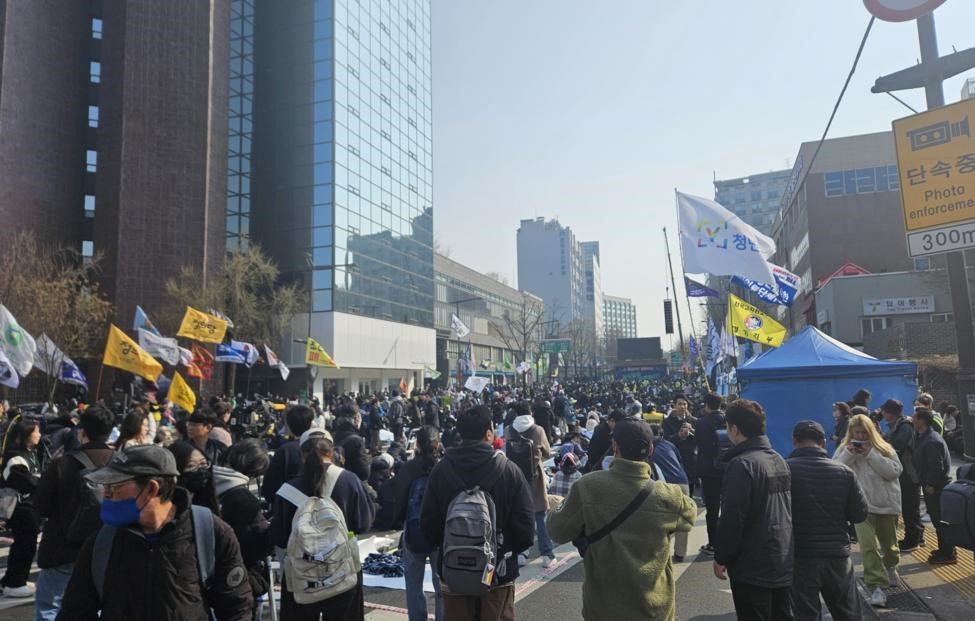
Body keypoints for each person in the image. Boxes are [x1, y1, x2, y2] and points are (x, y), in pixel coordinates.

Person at [57, 444, 254, 619]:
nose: (106, 493)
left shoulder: (210, 532)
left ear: (151, 489)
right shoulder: (102, 542)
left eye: (115, 485)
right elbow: (75, 612)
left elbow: (237, 608)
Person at [547, 419, 696, 621]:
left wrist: (557, 507)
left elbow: (556, 531)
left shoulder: (588, 486)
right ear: (651, 449)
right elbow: (690, 515)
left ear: (615, 447)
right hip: (654, 607)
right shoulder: (667, 494)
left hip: (604, 607)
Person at [420, 406, 535, 621]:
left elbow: (427, 524)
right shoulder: (508, 470)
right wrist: (502, 549)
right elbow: (526, 530)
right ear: (489, 434)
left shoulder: (441, 470)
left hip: (454, 572)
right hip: (497, 573)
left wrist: (450, 546)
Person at [270, 427, 375, 620]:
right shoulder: (350, 481)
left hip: (302, 575)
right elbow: (363, 524)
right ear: (332, 452)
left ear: (301, 455)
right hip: (341, 571)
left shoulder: (287, 490)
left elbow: (280, 537)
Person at [712, 400, 794, 621]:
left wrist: (721, 556)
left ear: (735, 429)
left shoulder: (742, 464)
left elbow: (732, 518)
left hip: (751, 565)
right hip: (781, 558)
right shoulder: (778, 459)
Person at [34, 405, 115, 620]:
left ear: (82, 432)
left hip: (63, 548)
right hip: (109, 546)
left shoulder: (62, 464)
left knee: (50, 607)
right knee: (100, 606)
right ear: (109, 432)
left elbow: (41, 506)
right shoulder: (121, 464)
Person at [787, 421, 868, 621]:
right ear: (823, 442)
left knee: (805, 614)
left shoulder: (785, 471)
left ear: (794, 441)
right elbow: (859, 514)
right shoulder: (844, 472)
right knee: (848, 613)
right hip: (837, 555)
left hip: (800, 555)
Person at [834, 413, 903, 608]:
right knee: (868, 547)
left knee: (890, 546)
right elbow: (835, 471)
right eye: (857, 433)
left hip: (886, 505)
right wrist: (848, 454)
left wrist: (870, 454)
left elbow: (894, 472)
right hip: (861, 507)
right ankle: (877, 587)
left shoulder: (884, 448)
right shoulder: (844, 450)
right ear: (851, 433)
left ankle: (891, 566)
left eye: (864, 433)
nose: (860, 437)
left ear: (871, 432)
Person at [214, 439, 273, 617]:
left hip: (206, 575)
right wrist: (271, 530)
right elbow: (255, 546)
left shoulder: (206, 482)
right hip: (236, 578)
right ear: (254, 471)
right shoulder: (243, 499)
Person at [392, 426, 444, 621]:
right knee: (441, 583)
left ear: (418, 444)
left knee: (414, 583)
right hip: (439, 533)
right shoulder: (443, 467)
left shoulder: (408, 468)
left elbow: (399, 500)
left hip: (414, 531)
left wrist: (400, 521)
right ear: (438, 444)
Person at [505, 405, 555, 568]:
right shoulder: (538, 430)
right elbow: (547, 452)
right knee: (540, 517)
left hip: (515, 478)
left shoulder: (508, 430)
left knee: (520, 517)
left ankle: (521, 553)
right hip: (535, 478)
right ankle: (547, 555)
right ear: (531, 412)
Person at [0, 417, 43, 597]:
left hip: (29, 507)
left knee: (26, 545)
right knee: (24, 546)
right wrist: (45, 483)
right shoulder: (15, 457)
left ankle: (13, 579)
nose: (39, 435)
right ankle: (14, 583)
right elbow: (26, 481)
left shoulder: (30, 453)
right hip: (20, 508)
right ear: (26, 434)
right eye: (36, 431)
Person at [879, 399, 924, 551]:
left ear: (889, 413)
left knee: (910, 508)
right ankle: (918, 537)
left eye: (884, 411)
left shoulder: (905, 427)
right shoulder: (898, 425)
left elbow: (896, 447)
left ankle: (913, 541)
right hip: (905, 473)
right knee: (910, 507)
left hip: (910, 474)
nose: (882, 413)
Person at [913, 407, 956, 565]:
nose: (912, 419)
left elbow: (936, 466)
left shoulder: (931, 440)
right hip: (932, 485)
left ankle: (948, 553)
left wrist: (930, 484)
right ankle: (945, 549)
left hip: (937, 487)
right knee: (937, 520)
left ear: (922, 421)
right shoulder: (924, 437)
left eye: (915, 417)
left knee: (940, 520)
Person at [649, 424, 692, 563]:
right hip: (682, 482)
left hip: (664, 485)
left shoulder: (647, 447)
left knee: (661, 520)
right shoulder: (670, 445)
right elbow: (680, 462)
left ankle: (660, 554)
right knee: (682, 520)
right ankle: (680, 553)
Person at [261, 404, 315, 504]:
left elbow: (269, 488)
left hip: (289, 506)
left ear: (288, 425)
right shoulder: (320, 447)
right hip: (317, 505)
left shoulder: (285, 451)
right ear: (311, 424)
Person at [694, 393, 726, 555]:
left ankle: (713, 544)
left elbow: (698, 443)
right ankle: (729, 542)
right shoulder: (728, 420)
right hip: (727, 468)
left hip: (709, 470)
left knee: (712, 509)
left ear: (706, 404)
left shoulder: (701, 423)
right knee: (728, 506)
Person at [333, 404, 371, 482]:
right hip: (351, 482)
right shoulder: (357, 440)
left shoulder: (333, 436)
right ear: (356, 419)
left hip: (335, 480)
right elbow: (364, 472)